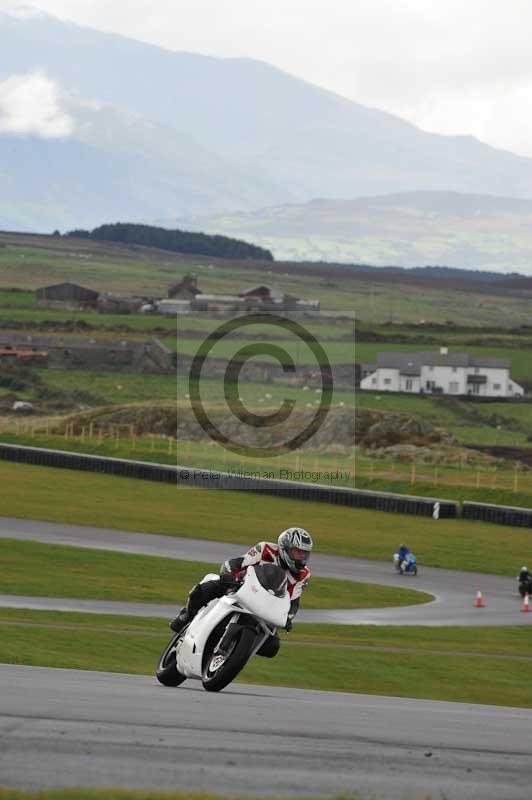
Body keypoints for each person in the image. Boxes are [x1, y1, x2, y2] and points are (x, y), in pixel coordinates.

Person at [169, 527, 313, 636]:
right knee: (204, 590)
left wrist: (287, 618)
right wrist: (229, 575)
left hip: (266, 606)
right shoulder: (265, 549)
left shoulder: (303, 574)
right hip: (240, 588)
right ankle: (186, 614)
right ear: (285, 547)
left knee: (272, 645)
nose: (302, 557)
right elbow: (236, 563)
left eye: (304, 553)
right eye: (297, 552)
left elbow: (293, 601)